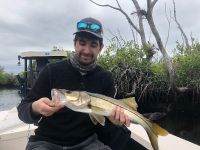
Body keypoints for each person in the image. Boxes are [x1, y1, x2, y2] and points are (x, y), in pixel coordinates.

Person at [17, 17, 146, 150]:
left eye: (93, 45)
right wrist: (35, 108)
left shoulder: (106, 78)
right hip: (45, 142)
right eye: (82, 43)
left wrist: (115, 122)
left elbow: (103, 122)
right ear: (75, 43)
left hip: (87, 143)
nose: (86, 50)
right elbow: (22, 111)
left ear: (100, 48)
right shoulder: (51, 70)